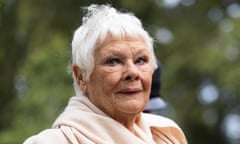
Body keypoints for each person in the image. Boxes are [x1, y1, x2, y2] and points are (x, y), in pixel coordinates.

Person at [23, 4, 187, 144]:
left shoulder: (166, 136)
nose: (132, 72)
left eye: (140, 60)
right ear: (81, 76)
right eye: (113, 61)